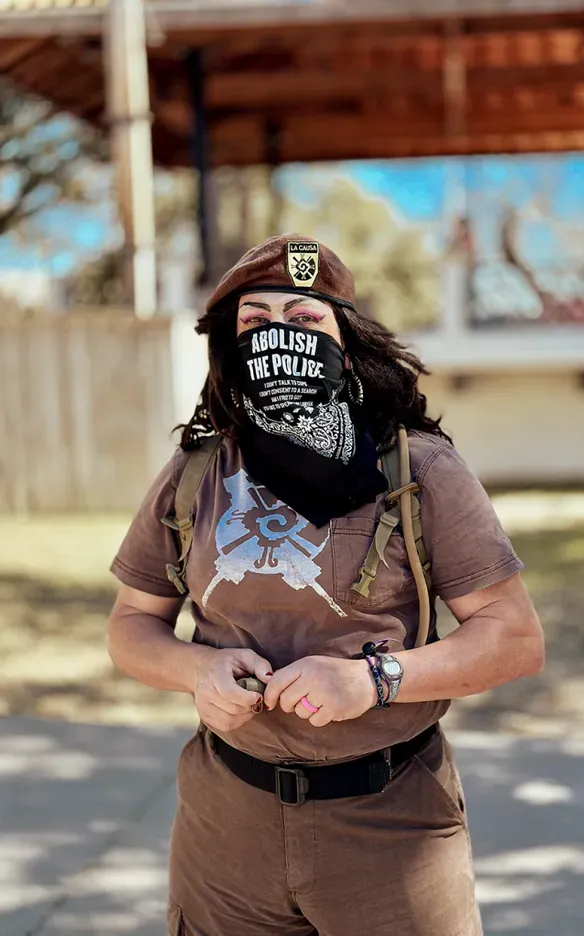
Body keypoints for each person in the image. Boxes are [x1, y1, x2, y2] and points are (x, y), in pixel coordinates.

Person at [107, 235, 544, 936]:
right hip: (225, 830)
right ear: (228, 344)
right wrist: (198, 668)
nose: (282, 336)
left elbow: (514, 639)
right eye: (257, 321)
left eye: (307, 320)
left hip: (389, 828)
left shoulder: (418, 468)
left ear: (347, 339)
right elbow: (131, 623)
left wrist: (372, 681)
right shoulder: (196, 472)